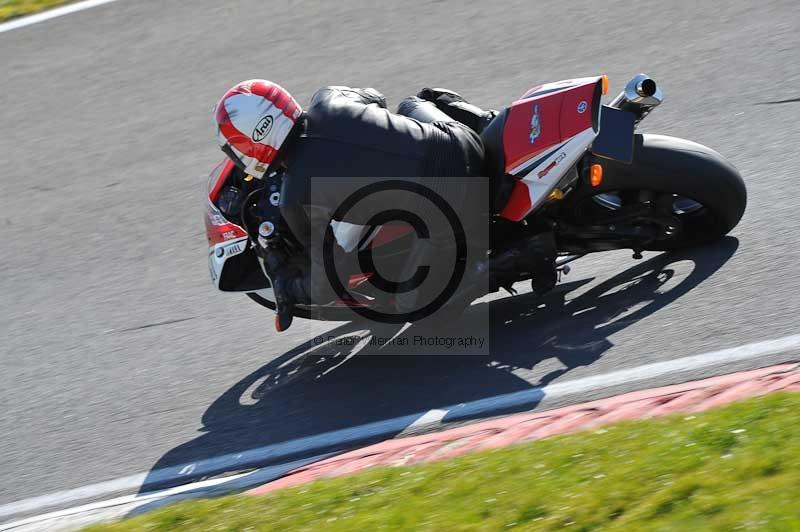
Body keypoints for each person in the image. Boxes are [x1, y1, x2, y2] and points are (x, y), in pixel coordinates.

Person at [213, 80, 535, 330]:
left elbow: (329, 278)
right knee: (415, 102)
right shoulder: (329, 99)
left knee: (413, 307)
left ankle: (515, 257)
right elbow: (375, 97)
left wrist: (288, 286)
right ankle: (493, 125)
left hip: (451, 211)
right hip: (464, 145)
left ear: (250, 144)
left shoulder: (295, 198)